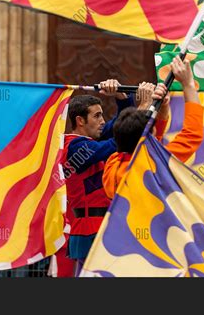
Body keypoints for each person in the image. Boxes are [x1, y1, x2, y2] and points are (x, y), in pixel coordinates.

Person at [62, 79, 152, 276]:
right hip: (90, 227)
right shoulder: (73, 147)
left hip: (103, 224)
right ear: (80, 121)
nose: (103, 121)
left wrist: (121, 96)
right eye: (97, 116)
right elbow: (122, 138)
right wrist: (143, 109)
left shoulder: (93, 140)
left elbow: (120, 126)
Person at [102, 57, 204, 199]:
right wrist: (188, 85)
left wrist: (161, 107)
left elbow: (148, 139)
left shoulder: (113, 164)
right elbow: (193, 134)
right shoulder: (155, 161)